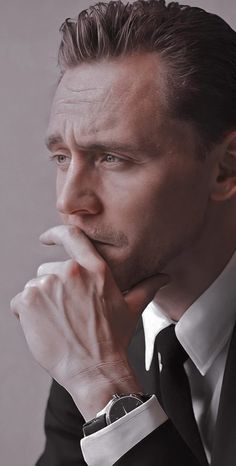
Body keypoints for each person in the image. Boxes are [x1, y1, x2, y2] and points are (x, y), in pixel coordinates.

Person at [10, 0, 236, 465]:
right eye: (61, 157)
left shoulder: (97, 359)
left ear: (224, 169)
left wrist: (106, 390)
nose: (69, 201)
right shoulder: (99, 334)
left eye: (112, 158)